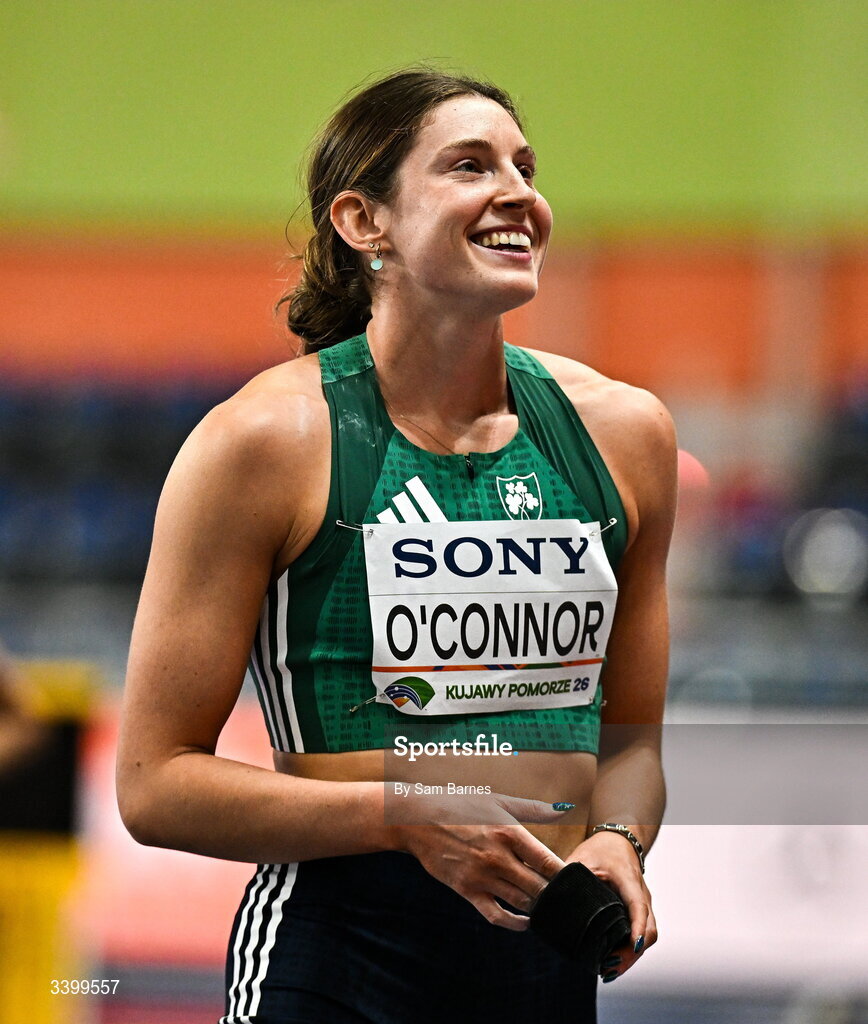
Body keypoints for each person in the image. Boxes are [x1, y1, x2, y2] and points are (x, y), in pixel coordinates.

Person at [117, 68, 677, 1024]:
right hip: (335, 962)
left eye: (526, 167)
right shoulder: (266, 442)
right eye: (470, 166)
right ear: (363, 222)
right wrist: (406, 811)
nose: (519, 193)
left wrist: (619, 839)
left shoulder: (625, 435)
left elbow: (630, 745)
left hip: (545, 969)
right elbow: (153, 784)